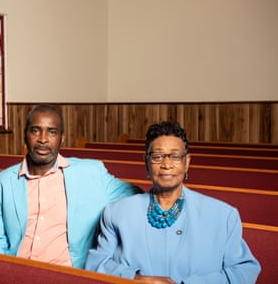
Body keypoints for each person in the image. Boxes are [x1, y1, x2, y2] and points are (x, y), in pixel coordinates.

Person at [85, 121, 261, 283]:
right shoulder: (116, 212)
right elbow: (96, 264)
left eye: (175, 157)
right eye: (157, 157)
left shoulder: (223, 216)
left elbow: (244, 271)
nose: (167, 164)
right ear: (146, 162)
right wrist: (136, 279)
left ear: (187, 163)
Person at [0, 104, 143, 268]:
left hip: (70, 273)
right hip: (19, 272)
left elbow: (137, 196)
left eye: (52, 132)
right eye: (35, 130)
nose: (43, 139)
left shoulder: (92, 173)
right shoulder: (0, 184)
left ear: (61, 138)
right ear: (25, 135)